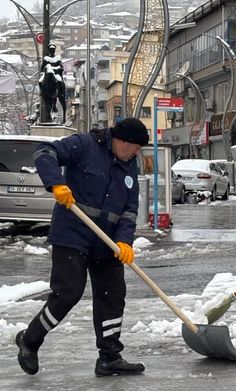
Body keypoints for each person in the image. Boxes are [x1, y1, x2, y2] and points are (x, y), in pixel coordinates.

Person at [14, 118, 150, 377]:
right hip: (72, 233)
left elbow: (129, 211)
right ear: (122, 141)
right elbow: (45, 152)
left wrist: (124, 241)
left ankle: (109, 357)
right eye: (135, 147)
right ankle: (30, 341)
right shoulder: (85, 144)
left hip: (107, 242)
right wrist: (56, 182)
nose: (137, 153)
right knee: (68, 292)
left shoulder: (129, 166)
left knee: (113, 295)